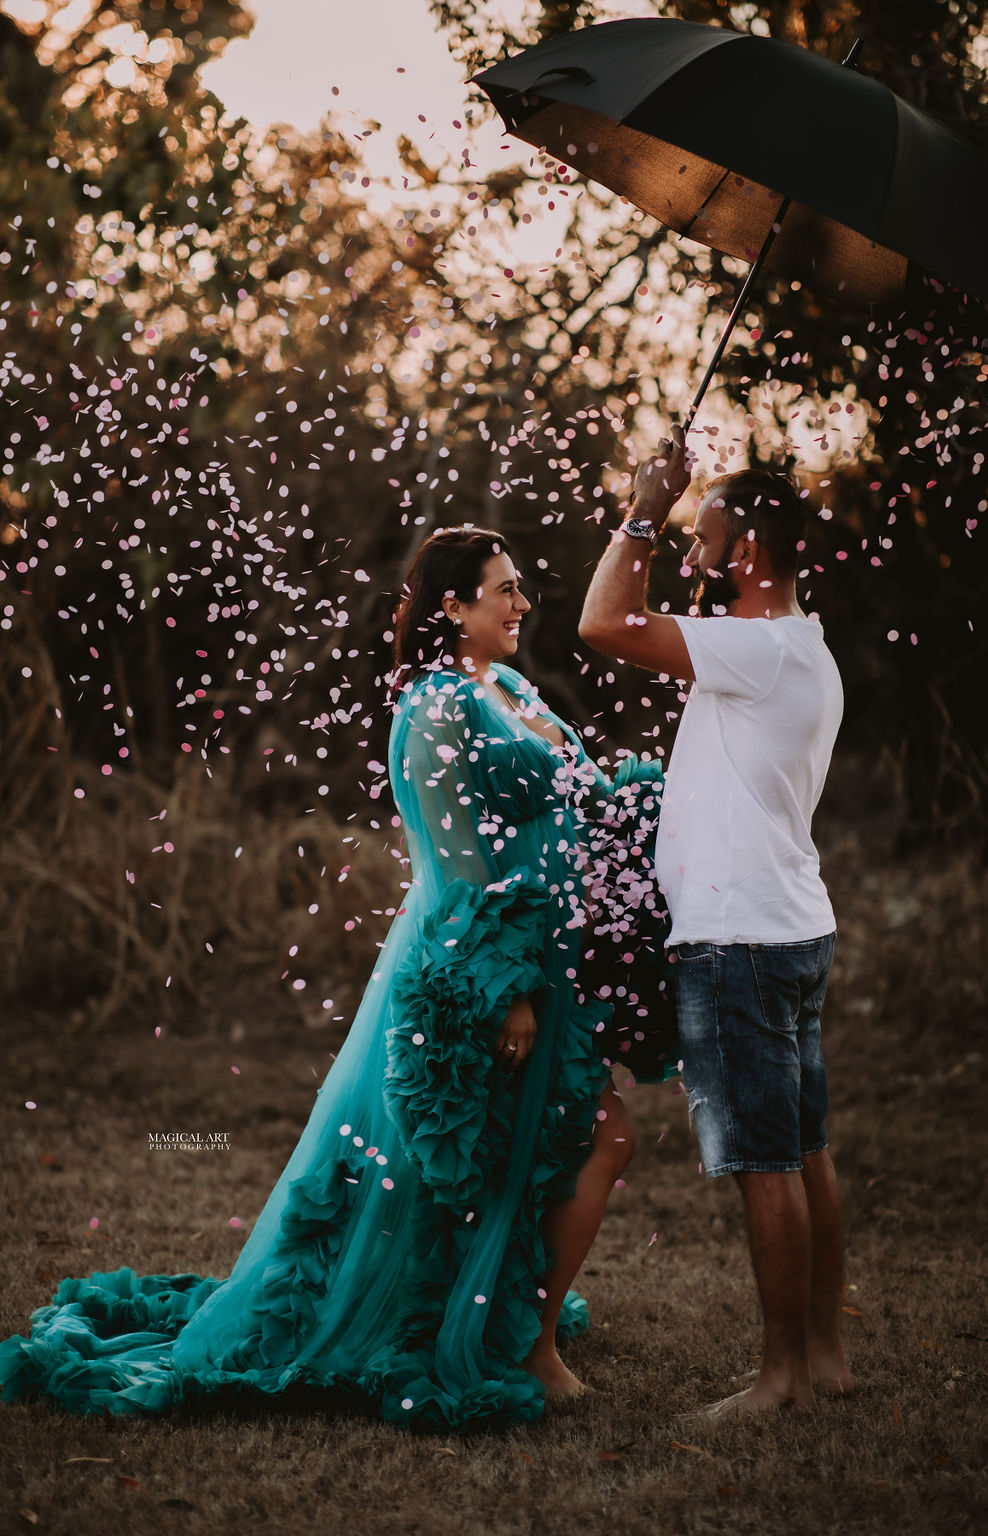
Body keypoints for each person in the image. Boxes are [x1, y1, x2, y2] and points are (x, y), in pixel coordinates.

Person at [1, 525, 670, 1431]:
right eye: (503, 590)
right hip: (483, 973)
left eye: (519, 588)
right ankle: (530, 1344)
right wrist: (502, 986)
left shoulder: (507, 686)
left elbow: (578, 790)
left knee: (546, 1150)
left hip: (551, 963)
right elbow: (453, 863)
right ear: (453, 606)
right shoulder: (432, 711)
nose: (521, 605)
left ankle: (517, 1326)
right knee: (562, 1145)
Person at [579, 427, 852, 1416]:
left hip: (738, 940)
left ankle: (779, 1378)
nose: (689, 553)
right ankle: (822, 1357)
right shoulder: (796, 646)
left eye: (703, 536)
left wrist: (644, 507)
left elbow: (602, 622)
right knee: (806, 1148)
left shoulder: (751, 646)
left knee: (764, 1163)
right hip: (789, 927)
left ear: (747, 551)